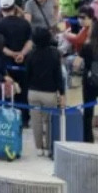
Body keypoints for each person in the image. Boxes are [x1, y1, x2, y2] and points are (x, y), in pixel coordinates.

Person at [26, 26, 66, 156]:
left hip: (33, 92)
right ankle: (49, 147)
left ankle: (39, 147)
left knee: (36, 121)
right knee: (49, 121)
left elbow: (27, 74)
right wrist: (62, 93)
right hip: (50, 93)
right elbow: (58, 75)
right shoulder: (55, 54)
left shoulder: (31, 54)